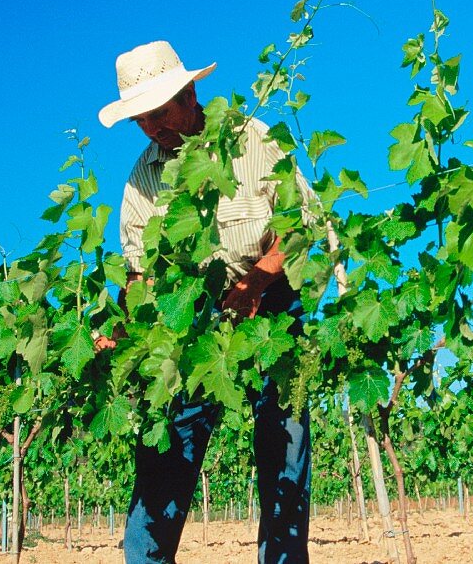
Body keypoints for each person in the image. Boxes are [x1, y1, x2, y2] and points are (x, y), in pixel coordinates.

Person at [96, 40, 312, 564]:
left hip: (272, 313)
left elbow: (301, 225)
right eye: (139, 120)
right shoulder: (143, 178)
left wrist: (256, 283)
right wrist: (122, 329)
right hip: (188, 326)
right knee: (162, 460)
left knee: (286, 462)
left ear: (190, 92)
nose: (150, 128)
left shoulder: (253, 139)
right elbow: (139, 275)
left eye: (159, 112)